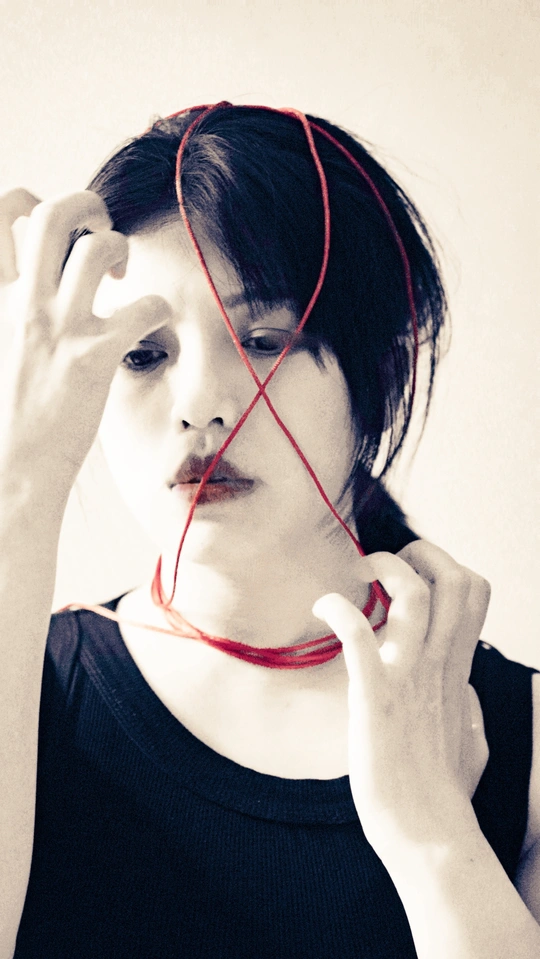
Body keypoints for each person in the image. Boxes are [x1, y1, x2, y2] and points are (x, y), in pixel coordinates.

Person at [0, 103, 538, 959]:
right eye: (143, 354)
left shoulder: (512, 733)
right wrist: (22, 476)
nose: (200, 405)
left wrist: (436, 838)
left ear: (383, 366)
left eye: (263, 339)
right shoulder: (28, 689)